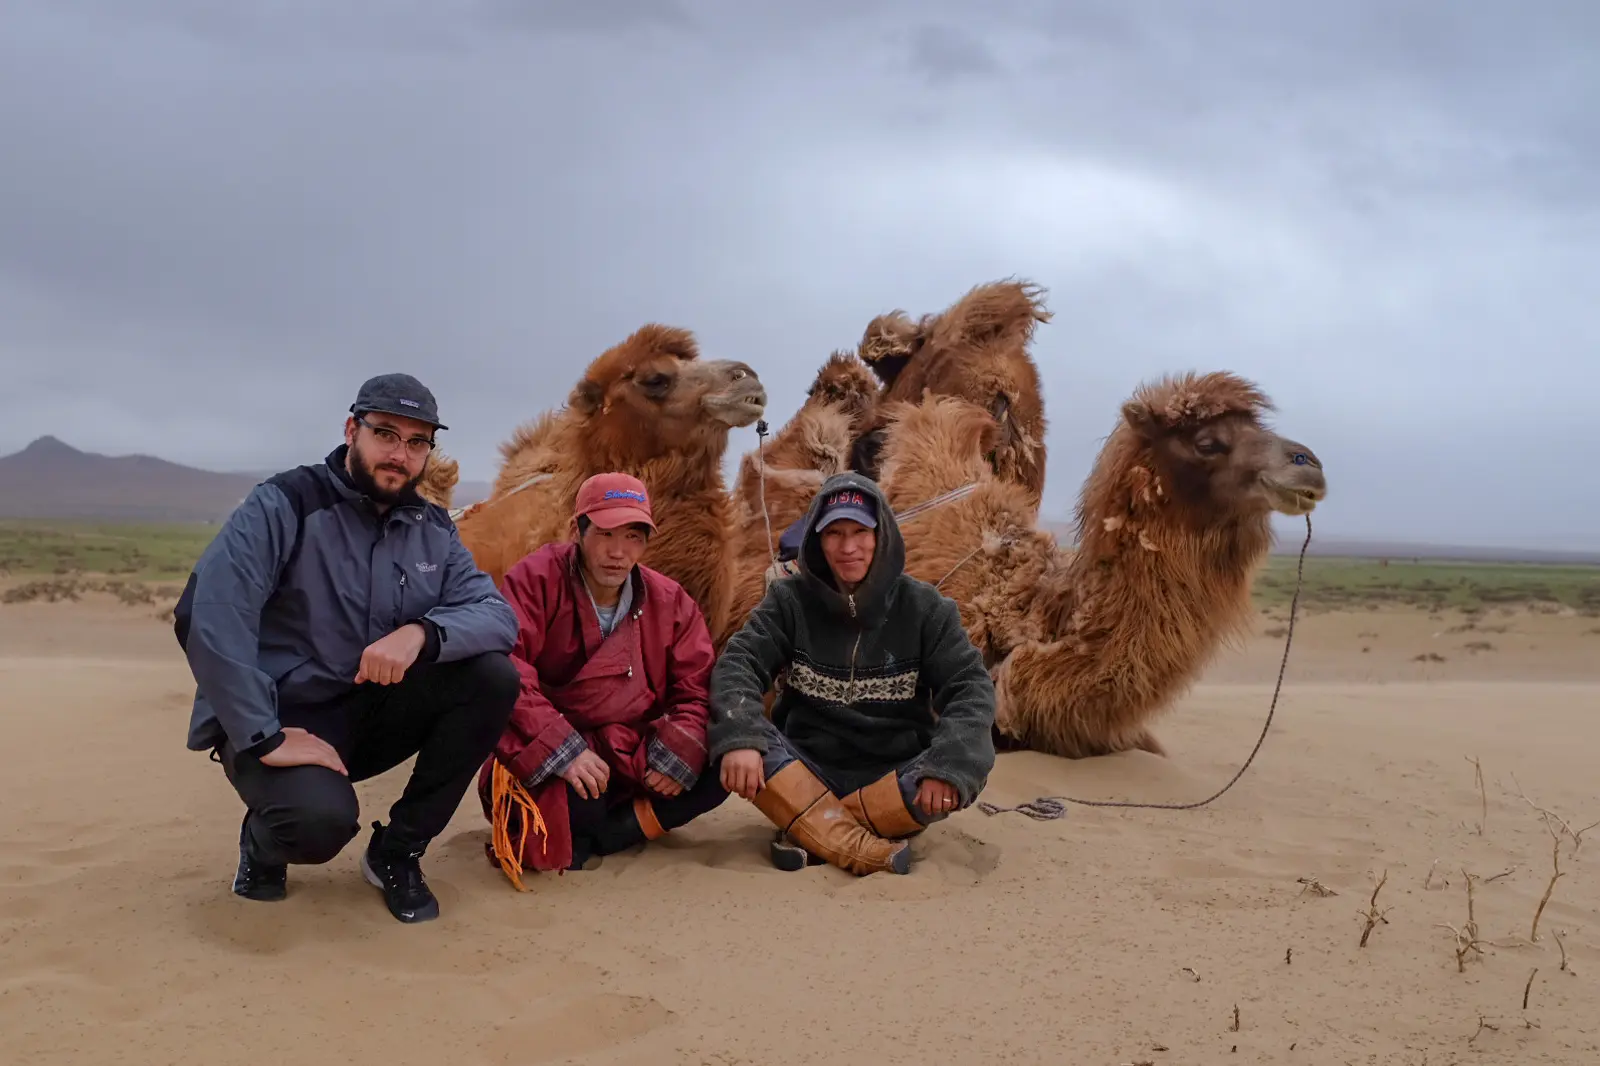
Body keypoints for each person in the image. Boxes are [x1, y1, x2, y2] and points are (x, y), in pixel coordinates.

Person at [175, 373, 521, 923]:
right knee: (316, 825)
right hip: (280, 715)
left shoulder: (433, 529)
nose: (400, 454)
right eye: (385, 434)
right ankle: (263, 844)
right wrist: (262, 733)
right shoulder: (285, 503)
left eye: (417, 442)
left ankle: (397, 852)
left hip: (370, 710)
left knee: (492, 677)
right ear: (351, 430)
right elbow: (208, 613)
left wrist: (422, 634)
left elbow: (498, 617)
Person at [708, 472, 997, 876]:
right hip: (804, 768)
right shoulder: (788, 602)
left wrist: (947, 766)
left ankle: (808, 829)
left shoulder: (926, 609)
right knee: (746, 741)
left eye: (860, 531)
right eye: (834, 533)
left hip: (894, 778)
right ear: (817, 540)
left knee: (954, 773)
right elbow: (738, 662)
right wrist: (741, 737)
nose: (848, 548)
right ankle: (864, 847)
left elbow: (970, 688)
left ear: (882, 536)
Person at [476, 472, 727, 878]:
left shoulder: (669, 600)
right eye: (605, 534)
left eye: (633, 537)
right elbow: (506, 668)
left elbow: (695, 685)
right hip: (559, 751)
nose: (618, 552)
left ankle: (617, 831)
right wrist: (564, 750)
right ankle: (609, 829)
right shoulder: (535, 580)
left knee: (723, 761)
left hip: (632, 749)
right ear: (577, 531)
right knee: (580, 804)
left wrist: (680, 746)